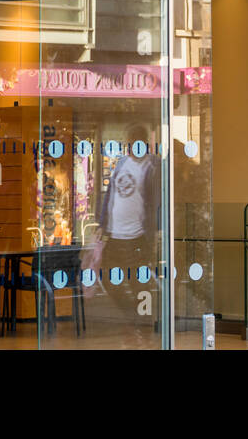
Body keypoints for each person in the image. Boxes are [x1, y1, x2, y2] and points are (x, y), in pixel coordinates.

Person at [97, 124, 160, 344]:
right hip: (114, 236)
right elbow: (110, 193)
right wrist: (102, 224)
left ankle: (144, 330)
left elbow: (156, 203)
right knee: (108, 278)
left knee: (140, 285)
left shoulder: (152, 167)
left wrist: (154, 233)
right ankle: (132, 317)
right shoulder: (122, 162)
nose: (132, 147)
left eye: (136, 143)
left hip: (136, 237)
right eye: (130, 143)